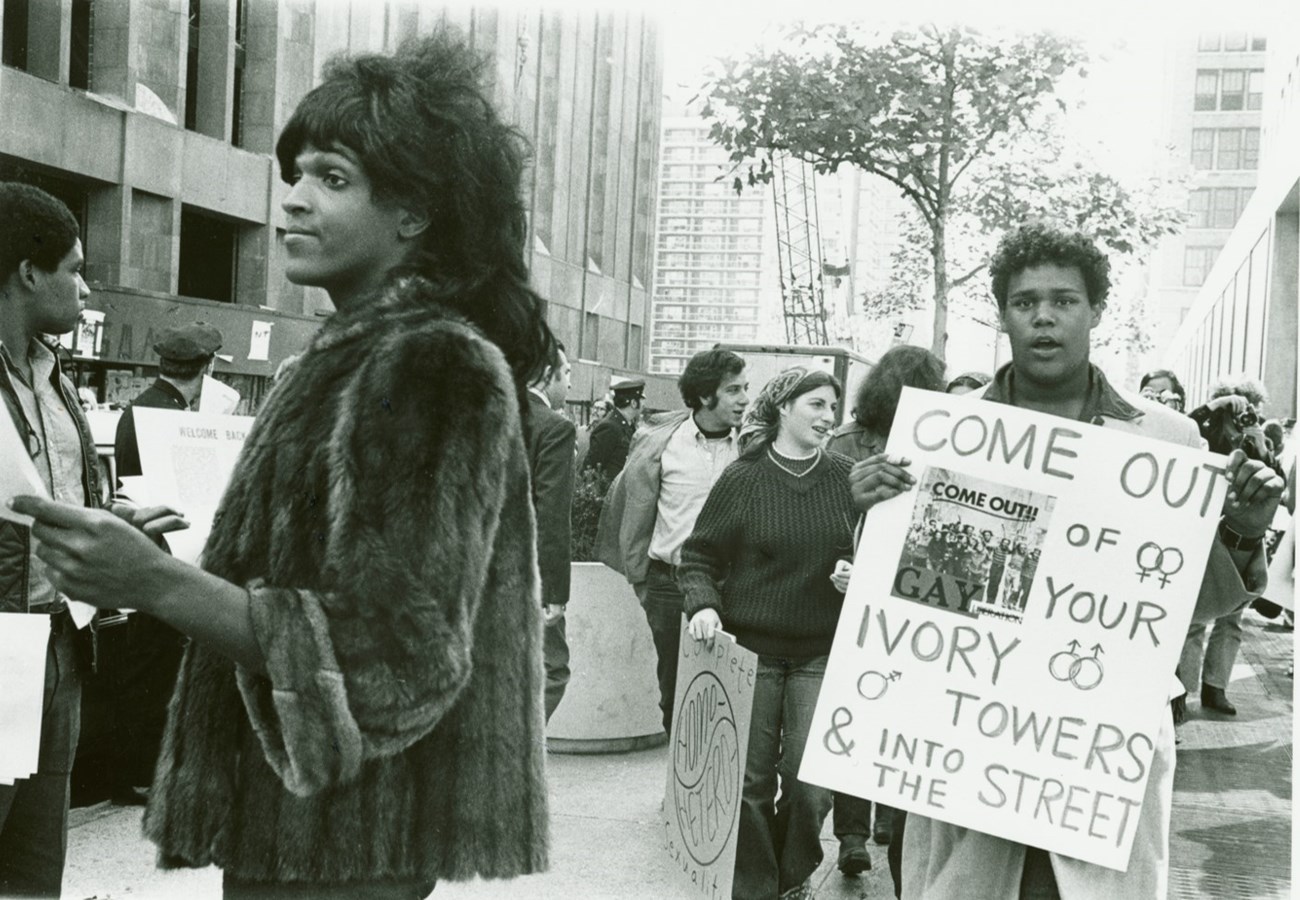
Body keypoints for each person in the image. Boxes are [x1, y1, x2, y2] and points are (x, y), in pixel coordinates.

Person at [15, 31, 551, 898]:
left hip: (350, 838)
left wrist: (156, 584)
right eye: (295, 174)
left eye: (332, 179)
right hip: (308, 823)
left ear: (414, 212)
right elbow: (319, 582)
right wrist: (144, 560)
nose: (292, 202)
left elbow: (394, 658)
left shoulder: (426, 364)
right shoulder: (343, 359)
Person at [852, 222, 1280, 900]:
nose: (1044, 316)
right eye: (1025, 302)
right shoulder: (946, 432)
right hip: (972, 727)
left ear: (1096, 311)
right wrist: (875, 514)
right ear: (1002, 314)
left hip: (1098, 746)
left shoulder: (1165, 439)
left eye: (1064, 300)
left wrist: (1241, 532)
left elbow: (1190, 604)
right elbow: (912, 602)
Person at [679, 367, 854, 900]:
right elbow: (698, 556)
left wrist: (857, 571)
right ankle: (757, 887)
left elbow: (880, 557)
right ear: (783, 408)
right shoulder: (744, 477)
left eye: (833, 408)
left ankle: (790, 872)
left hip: (820, 653)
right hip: (749, 653)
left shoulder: (847, 478)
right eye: (817, 406)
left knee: (810, 784)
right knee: (749, 783)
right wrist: (704, 604)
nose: (829, 418)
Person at [76, 322, 225, 807]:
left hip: (151, 552)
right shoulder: (170, 416)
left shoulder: (141, 409)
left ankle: (140, 770)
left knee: (153, 666)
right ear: (203, 368)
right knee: (152, 668)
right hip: (164, 554)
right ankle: (137, 772)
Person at [0, 182, 99, 896]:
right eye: (75, 266)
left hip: (60, 641)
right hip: (2, 646)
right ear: (29, 272)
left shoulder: (55, 376)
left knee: (36, 871)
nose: (84, 285)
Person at [825, 344, 945, 873]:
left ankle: (882, 832)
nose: (870, 442)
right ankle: (859, 833)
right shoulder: (856, 445)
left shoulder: (946, 462)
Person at [596, 349, 748, 734]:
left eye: (745, 388)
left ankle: (725, 792)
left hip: (737, 587)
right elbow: (631, 509)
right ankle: (682, 791)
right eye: (733, 390)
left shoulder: (750, 447)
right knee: (677, 692)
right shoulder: (661, 443)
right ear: (703, 397)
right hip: (669, 586)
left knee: (732, 697)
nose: (744, 398)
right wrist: (644, 580)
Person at [1177, 375, 1282, 716]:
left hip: (1240, 533)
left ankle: (1216, 686)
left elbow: (1273, 479)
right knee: (1193, 618)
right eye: (1238, 405)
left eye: (1251, 407)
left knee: (1232, 618)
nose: (1245, 414)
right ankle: (1183, 691)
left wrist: (1260, 443)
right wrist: (1214, 409)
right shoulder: (1206, 427)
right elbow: (1185, 432)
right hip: (1201, 524)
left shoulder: (1255, 434)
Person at [526, 339, 577, 721]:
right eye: (567, 374)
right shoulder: (555, 428)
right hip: (529, 578)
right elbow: (552, 516)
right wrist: (553, 591)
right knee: (552, 669)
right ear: (547, 376)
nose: (570, 385)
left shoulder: (490, 414)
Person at [583, 377, 644, 478]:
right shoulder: (610, 427)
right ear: (633, 403)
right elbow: (591, 468)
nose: (644, 404)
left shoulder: (627, 426)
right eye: (641, 399)